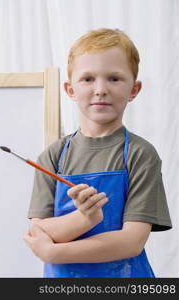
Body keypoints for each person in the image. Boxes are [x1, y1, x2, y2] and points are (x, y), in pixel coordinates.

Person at [24, 28, 172, 278]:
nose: (101, 89)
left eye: (114, 78)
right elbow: (38, 233)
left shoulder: (140, 155)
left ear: (134, 89)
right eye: (88, 79)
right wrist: (84, 219)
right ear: (70, 89)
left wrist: (54, 253)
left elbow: (131, 242)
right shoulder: (53, 156)